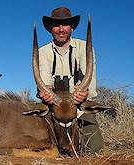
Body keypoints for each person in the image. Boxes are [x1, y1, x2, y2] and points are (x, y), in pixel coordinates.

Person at [37, 7, 104, 152]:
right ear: (50, 28)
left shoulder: (85, 47)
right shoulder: (42, 52)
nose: (61, 29)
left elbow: (89, 82)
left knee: (94, 149)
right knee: (39, 142)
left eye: (65, 24)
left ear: (72, 27)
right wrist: (45, 93)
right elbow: (44, 83)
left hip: (78, 107)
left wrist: (83, 93)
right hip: (54, 107)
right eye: (56, 25)